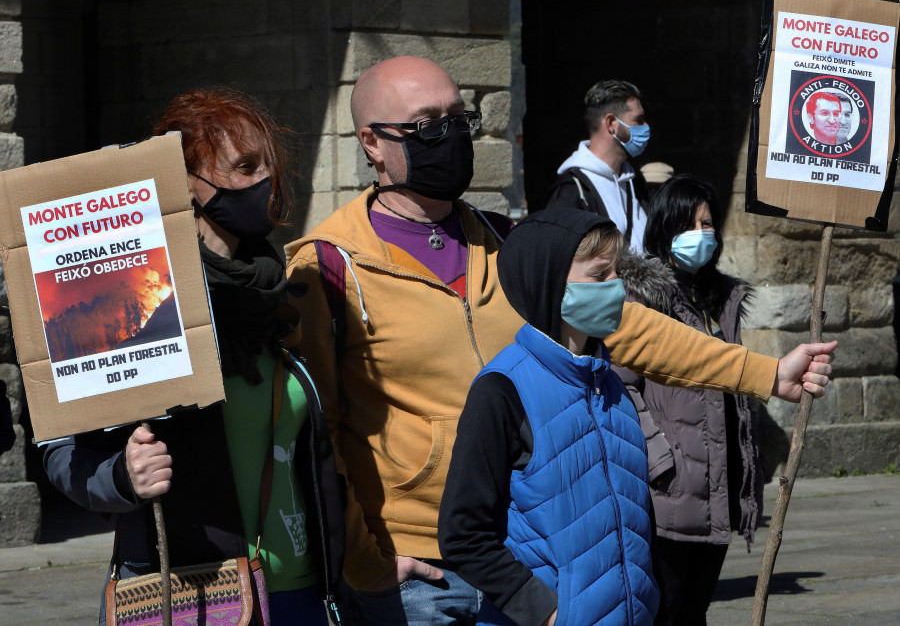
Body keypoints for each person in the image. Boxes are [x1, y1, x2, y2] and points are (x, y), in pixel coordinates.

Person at [284, 55, 837, 625]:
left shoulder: (509, 244)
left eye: (459, 119)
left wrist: (766, 373)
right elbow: (318, 437)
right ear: (371, 142)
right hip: (423, 575)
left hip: (534, 558)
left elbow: (629, 327)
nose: (449, 136)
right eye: (427, 126)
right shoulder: (327, 266)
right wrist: (365, 564)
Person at [43, 88, 343, 625]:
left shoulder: (288, 293)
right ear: (185, 184)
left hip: (306, 592)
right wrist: (121, 475)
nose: (264, 184)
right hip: (195, 593)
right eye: (244, 167)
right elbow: (65, 451)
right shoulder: (136, 305)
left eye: (268, 167)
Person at [439, 210, 658, 626]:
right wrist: (547, 612)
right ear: (552, 283)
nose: (618, 288)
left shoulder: (613, 387)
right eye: (600, 276)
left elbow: (635, 522)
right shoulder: (502, 391)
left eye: (618, 273)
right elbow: (463, 534)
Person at [616, 174, 763, 625]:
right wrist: (659, 456)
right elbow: (622, 386)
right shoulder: (641, 299)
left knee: (695, 611)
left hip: (719, 486)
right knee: (665, 610)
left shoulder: (722, 299)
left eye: (707, 223)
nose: (702, 234)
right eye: (689, 224)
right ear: (663, 229)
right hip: (668, 492)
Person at [544, 79, 651, 253]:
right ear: (611, 124)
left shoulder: (636, 181)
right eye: (638, 120)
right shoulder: (571, 192)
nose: (646, 126)